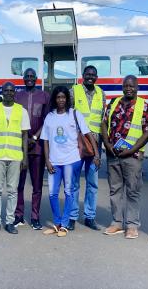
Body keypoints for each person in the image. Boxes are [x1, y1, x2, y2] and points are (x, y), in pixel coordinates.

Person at [41, 86, 99, 237]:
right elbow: (45, 141)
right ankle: (57, 222)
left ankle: (65, 224)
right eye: (58, 97)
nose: (61, 100)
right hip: (54, 161)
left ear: (67, 99)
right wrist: (47, 160)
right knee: (53, 193)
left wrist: (97, 153)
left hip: (70, 160)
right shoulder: (50, 117)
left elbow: (88, 134)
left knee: (68, 191)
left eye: (63, 97)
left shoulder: (74, 114)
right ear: (55, 99)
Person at [101, 75, 148, 239]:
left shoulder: (143, 106)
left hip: (133, 156)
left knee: (133, 191)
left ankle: (131, 225)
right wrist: (107, 144)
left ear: (137, 87)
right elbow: (103, 123)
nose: (128, 88)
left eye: (132, 86)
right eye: (126, 86)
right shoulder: (114, 102)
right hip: (113, 154)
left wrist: (132, 150)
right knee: (115, 190)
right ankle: (116, 222)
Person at [0, 82, 30, 235]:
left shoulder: (21, 111)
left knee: (12, 190)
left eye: (11, 90)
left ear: (14, 93)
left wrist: (25, 158)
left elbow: (24, 135)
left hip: (15, 156)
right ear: (1, 92)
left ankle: (9, 222)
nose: (9, 93)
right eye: (6, 90)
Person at [69, 65, 106, 231]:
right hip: (77, 143)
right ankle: (71, 216)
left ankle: (89, 216)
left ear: (96, 77)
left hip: (95, 144)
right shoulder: (74, 91)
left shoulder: (101, 93)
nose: (90, 77)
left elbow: (102, 120)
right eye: (88, 74)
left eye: (93, 74)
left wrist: (101, 147)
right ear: (83, 75)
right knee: (74, 182)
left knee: (93, 183)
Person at [14, 68, 49, 230]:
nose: (29, 79)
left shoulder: (44, 96)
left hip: (37, 146)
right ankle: (18, 215)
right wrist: (23, 138)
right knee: (18, 183)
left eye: (32, 76)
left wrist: (34, 137)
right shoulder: (17, 96)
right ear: (23, 79)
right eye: (26, 76)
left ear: (36, 78)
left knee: (36, 185)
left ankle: (35, 217)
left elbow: (46, 119)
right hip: (19, 146)